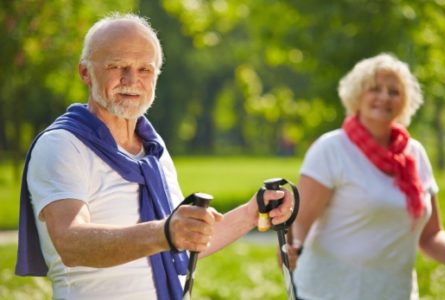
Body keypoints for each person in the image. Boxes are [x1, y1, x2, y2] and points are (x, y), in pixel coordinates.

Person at [15, 13, 294, 300]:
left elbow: (182, 242)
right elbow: (71, 243)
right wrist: (164, 233)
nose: (131, 79)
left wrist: (253, 211)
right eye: (116, 66)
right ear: (85, 72)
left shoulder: (153, 150)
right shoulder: (62, 145)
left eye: (145, 70)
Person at [288, 53, 445, 299]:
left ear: (405, 102)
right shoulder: (331, 149)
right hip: (329, 292)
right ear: (357, 96)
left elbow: (430, 235)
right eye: (375, 89)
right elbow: (300, 223)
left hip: (396, 292)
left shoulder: (415, 154)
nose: (384, 97)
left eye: (394, 92)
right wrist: (292, 248)